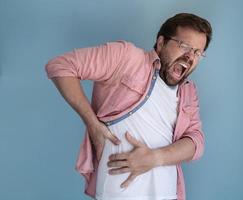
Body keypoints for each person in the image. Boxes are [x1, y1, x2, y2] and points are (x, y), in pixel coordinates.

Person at [45, 13, 212, 200]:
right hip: (119, 192)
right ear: (161, 43)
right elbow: (60, 66)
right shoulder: (126, 57)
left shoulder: (189, 92)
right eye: (184, 46)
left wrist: (154, 158)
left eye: (197, 52)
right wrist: (92, 124)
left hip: (168, 193)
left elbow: (196, 142)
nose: (190, 56)